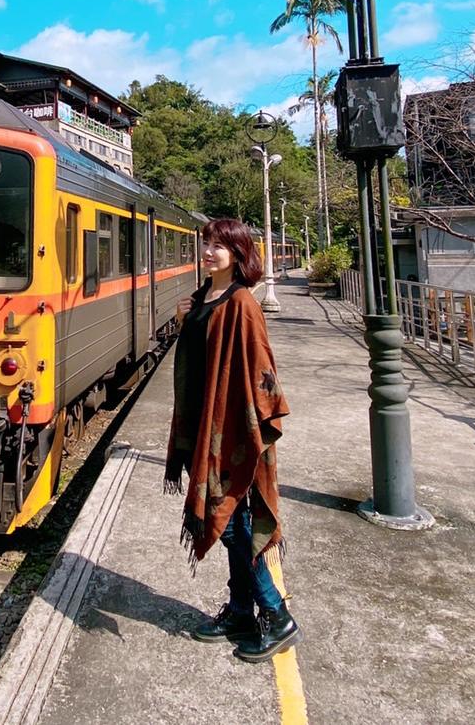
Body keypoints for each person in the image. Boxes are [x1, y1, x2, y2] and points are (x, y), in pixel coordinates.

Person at [166, 217, 296, 663]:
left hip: (234, 430)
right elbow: (198, 356)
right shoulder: (204, 297)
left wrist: (260, 418)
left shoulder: (242, 303)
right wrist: (186, 320)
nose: (208, 251)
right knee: (230, 526)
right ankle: (241, 611)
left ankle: (276, 615)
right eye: (206, 243)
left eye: (219, 246)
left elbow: (260, 364)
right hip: (205, 426)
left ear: (239, 254)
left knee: (237, 526)